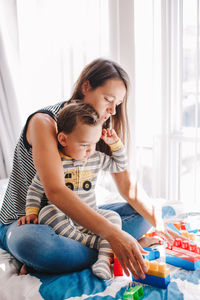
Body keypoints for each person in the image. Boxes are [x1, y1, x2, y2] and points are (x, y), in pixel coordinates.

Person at [0, 58, 183, 280]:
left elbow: (127, 185)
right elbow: (55, 191)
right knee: (32, 244)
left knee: (143, 214)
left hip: (76, 222)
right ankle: (108, 251)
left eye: (117, 103)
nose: (113, 110)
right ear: (86, 86)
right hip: (31, 221)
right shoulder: (45, 122)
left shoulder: (98, 129)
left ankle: (89, 253)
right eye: (108, 99)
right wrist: (116, 235)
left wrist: (159, 222)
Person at [18, 102, 128, 279]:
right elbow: (35, 189)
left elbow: (120, 164)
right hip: (64, 220)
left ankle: (103, 261)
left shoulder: (96, 159)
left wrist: (115, 144)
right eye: (84, 145)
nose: (90, 150)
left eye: (94, 143)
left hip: (90, 217)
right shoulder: (55, 164)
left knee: (114, 217)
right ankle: (97, 245)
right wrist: (31, 212)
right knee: (47, 212)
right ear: (63, 140)